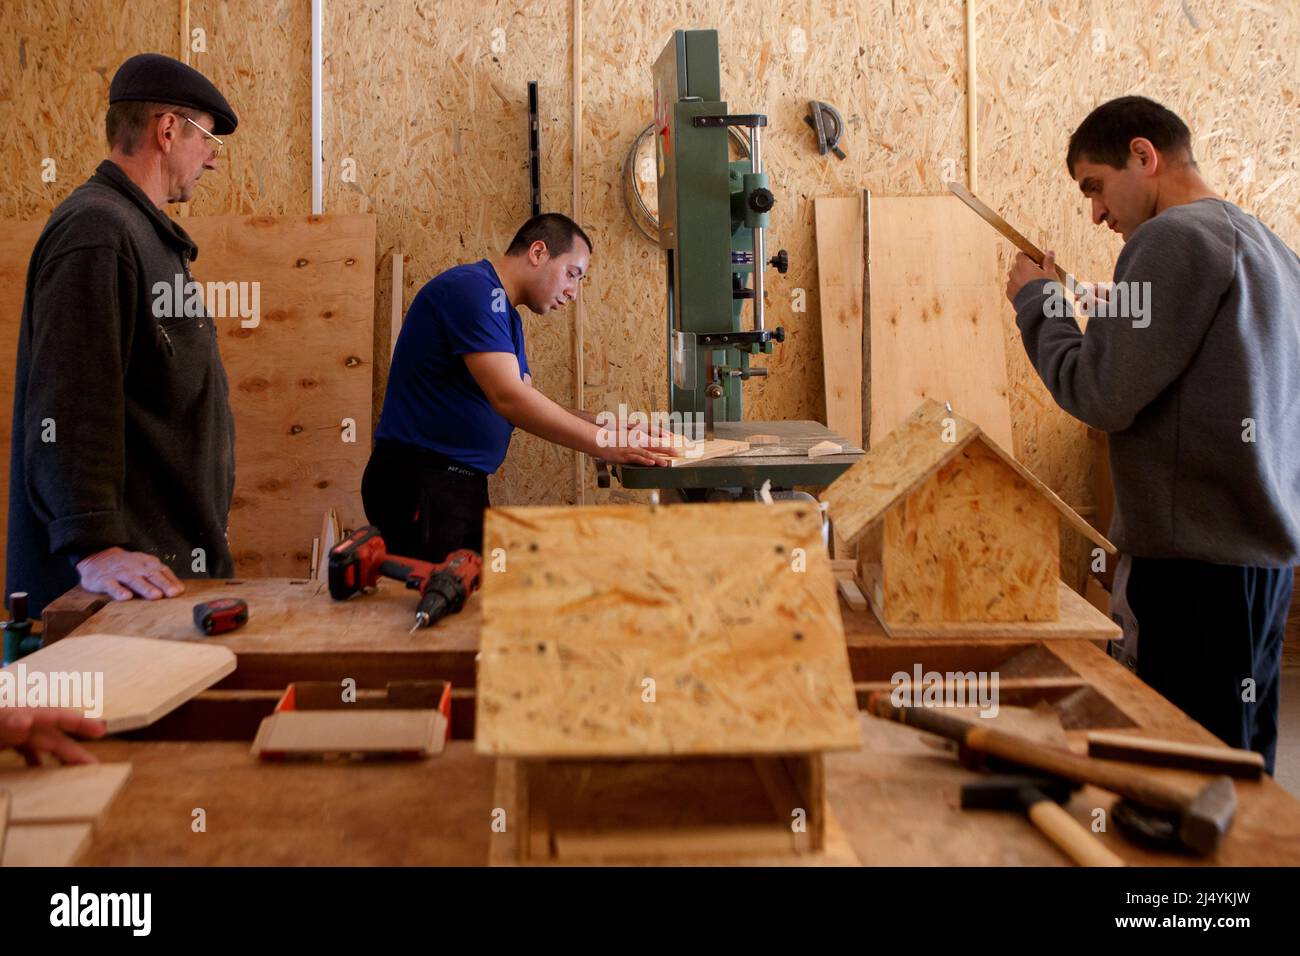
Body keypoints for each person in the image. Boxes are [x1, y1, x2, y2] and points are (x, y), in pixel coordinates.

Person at [1005, 96, 1300, 772]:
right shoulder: (1265, 245)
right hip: (1260, 565)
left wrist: (1037, 303)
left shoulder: (1169, 240)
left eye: (1096, 187)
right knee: (1237, 769)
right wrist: (1102, 310)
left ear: (1144, 156)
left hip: (1193, 573)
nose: (1096, 213)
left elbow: (1099, 394)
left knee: (1174, 775)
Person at [7, 53, 239, 617]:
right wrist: (95, 546)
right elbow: (71, 398)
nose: (212, 160)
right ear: (166, 129)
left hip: (158, 576)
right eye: (208, 139)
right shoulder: (98, 231)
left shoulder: (144, 236)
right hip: (110, 595)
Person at [363, 213, 675, 562]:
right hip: (421, 483)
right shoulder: (472, 290)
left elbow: (526, 399)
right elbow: (510, 399)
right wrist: (605, 444)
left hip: (458, 485)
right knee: (435, 607)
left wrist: (611, 427)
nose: (573, 291)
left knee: (469, 603)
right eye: (572, 274)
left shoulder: (505, 317)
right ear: (538, 252)